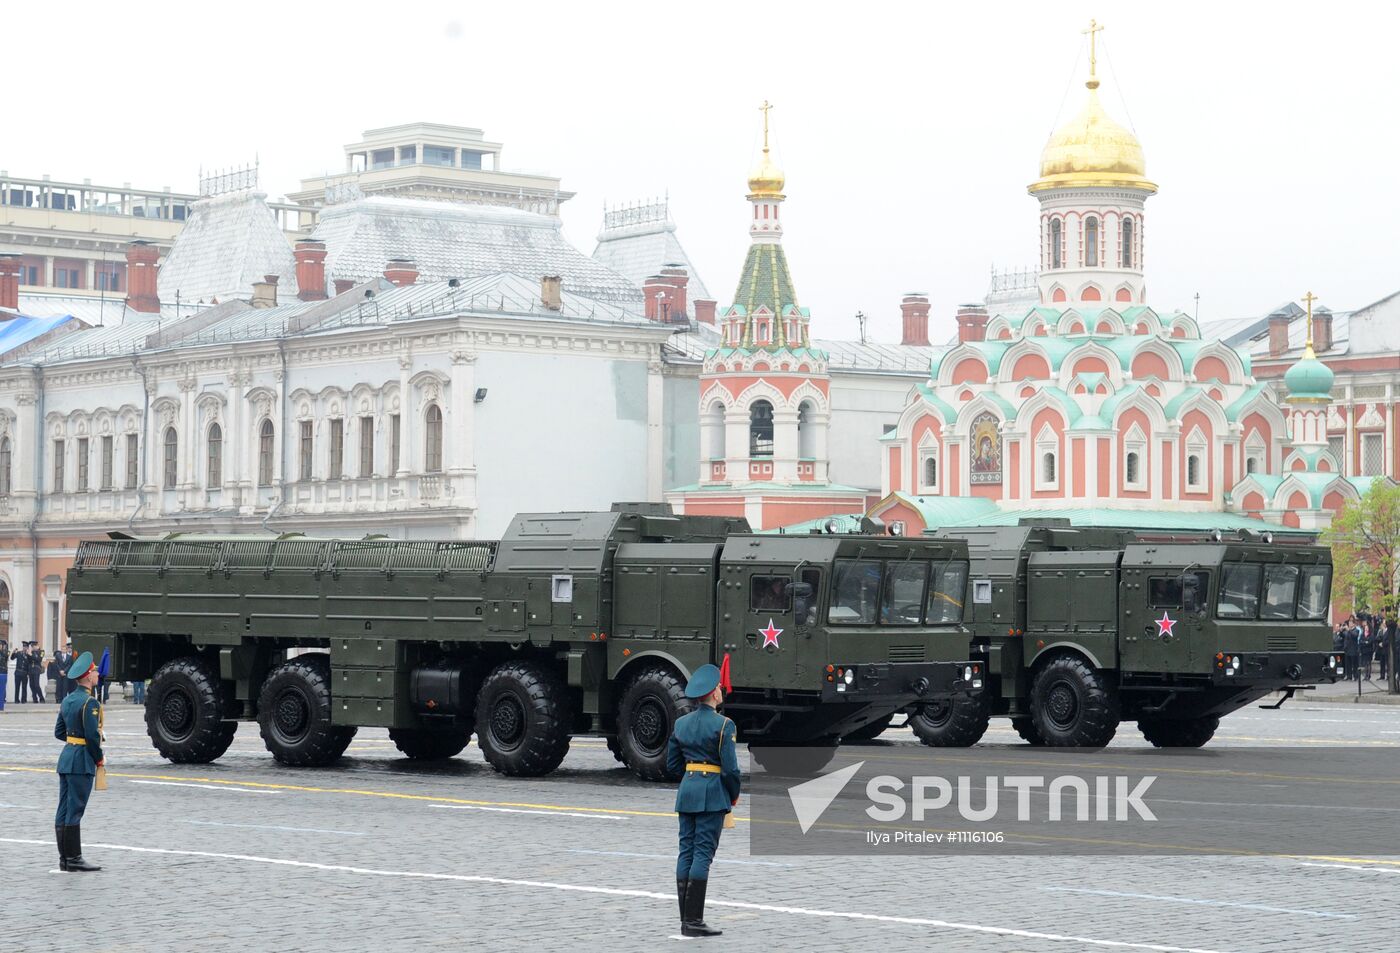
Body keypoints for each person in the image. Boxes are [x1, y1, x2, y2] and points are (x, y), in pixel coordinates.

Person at [665, 663, 740, 938]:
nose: (721, 690)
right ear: (713, 694)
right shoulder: (724, 725)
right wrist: (733, 795)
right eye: (719, 687)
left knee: (686, 851)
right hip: (712, 794)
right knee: (702, 854)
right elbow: (731, 769)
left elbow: (673, 764)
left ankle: (686, 920)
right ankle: (694, 921)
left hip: (687, 792)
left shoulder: (681, 724)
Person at [53, 651, 103, 872]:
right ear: (88, 676)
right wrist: (99, 758)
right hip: (81, 761)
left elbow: (58, 732)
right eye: (95, 672)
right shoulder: (90, 702)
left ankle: (65, 858)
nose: (98, 675)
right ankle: (74, 858)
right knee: (75, 809)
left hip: (66, 758)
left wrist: (74, 739)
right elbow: (92, 737)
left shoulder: (68, 700)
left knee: (63, 808)